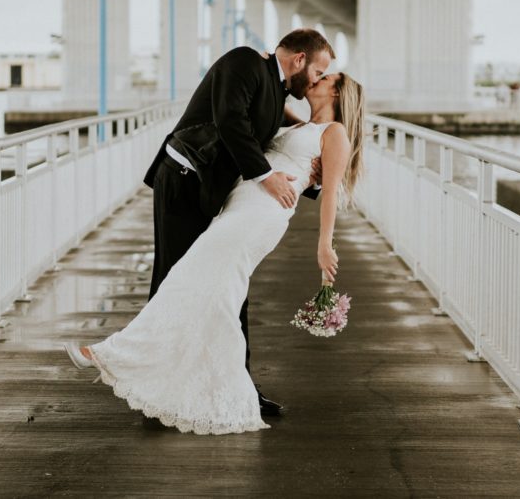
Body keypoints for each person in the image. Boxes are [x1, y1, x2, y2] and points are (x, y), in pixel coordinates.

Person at [63, 69, 365, 435]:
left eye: (325, 77)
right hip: (239, 205)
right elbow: (263, 106)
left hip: (261, 214)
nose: (315, 78)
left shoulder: (335, 134)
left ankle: (113, 353)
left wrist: (324, 245)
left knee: (192, 279)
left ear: (338, 92)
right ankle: (217, 388)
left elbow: (330, 191)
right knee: (212, 290)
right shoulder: (301, 125)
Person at [142, 28, 335, 416]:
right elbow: (231, 121)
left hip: (210, 190)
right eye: (318, 71)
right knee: (174, 280)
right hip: (181, 179)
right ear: (299, 60)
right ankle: (153, 387)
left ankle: (239, 388)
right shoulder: (245, 62)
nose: (317, 80)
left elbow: (275, 139)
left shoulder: (273, 86)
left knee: (229, 286)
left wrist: (317, 164)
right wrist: (266, 177)